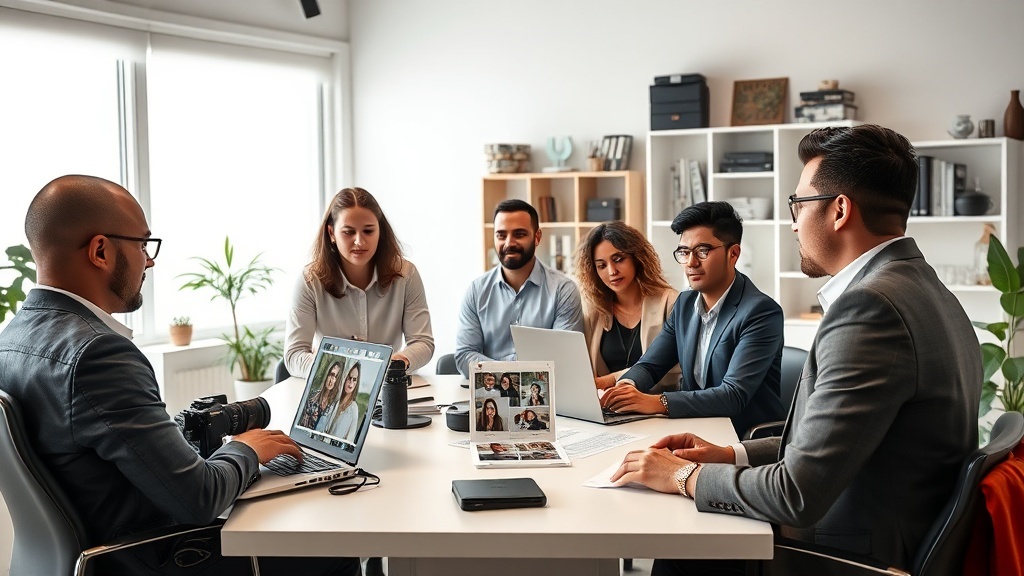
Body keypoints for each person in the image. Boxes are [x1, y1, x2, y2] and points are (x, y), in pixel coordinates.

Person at [611, 125, 983, 575]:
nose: (792, 222)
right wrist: (730, 454)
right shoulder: (927, 290)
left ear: (840, 210)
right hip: (882, 529)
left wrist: (680, 475)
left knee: (681, 544)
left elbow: (797, 495)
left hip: (849, 554)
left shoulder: (870, 308)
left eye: (798, 204)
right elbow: (836, 448)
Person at [0, 175, 358, 575]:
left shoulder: (11, 339)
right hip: (152, 558)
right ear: (100, 250)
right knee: (336, 546)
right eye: (143, 244)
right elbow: (199, 500)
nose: (149, 260)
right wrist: (248, 448)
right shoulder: (99, 354)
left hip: (83, 558)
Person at [600, 201, 785, 437]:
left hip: (743, 440)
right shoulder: (685, 304)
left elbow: (732, 396)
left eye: (703, 251)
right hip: (694, 429)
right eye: (684, 252)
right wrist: (627, 388)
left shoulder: (760, 312)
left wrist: (657, 402)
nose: (691, 263)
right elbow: (650, 365)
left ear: (733, 253)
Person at [286, 186, 433, 378]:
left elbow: (423, 342)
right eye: (348, 232)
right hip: (331, 389)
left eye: (368, 231)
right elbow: (294, 354)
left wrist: (394, 365)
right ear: (331, 233)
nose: (359, 242)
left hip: (388, 387)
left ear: (380, 231)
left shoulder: (406, 275)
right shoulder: (309, 280)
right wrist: (329, 370)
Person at [455, 199, 584, 377]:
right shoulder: (476, 291)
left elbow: (564, 358)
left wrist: (500, 373)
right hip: (489, 395)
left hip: (544, 399)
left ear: (537, 237)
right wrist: (507, 377)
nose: (509, 243)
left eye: (519, 234)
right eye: (501, 235)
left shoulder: (563, 291)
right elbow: (464, 355)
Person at [574, 222, 681, 392]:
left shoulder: (671, 303)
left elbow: (673, 372)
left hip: (657, 409)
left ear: (636, 257)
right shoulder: (593, 310)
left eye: (618, 260)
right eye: (602, 265)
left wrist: (610, 380)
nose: (612, 271)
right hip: (610, 409)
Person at [319, 361, 360, 441]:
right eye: (348, 378)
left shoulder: (353, 408)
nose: (351, 382)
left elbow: (350, 438)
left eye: (354, 379)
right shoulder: (334, 401)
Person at [300, 360, 343, 430]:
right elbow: (302, 423)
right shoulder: (312, 396)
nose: (332, 380)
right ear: (327, 375)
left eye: (336, 377)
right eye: (331, 374)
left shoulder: (334, 405)